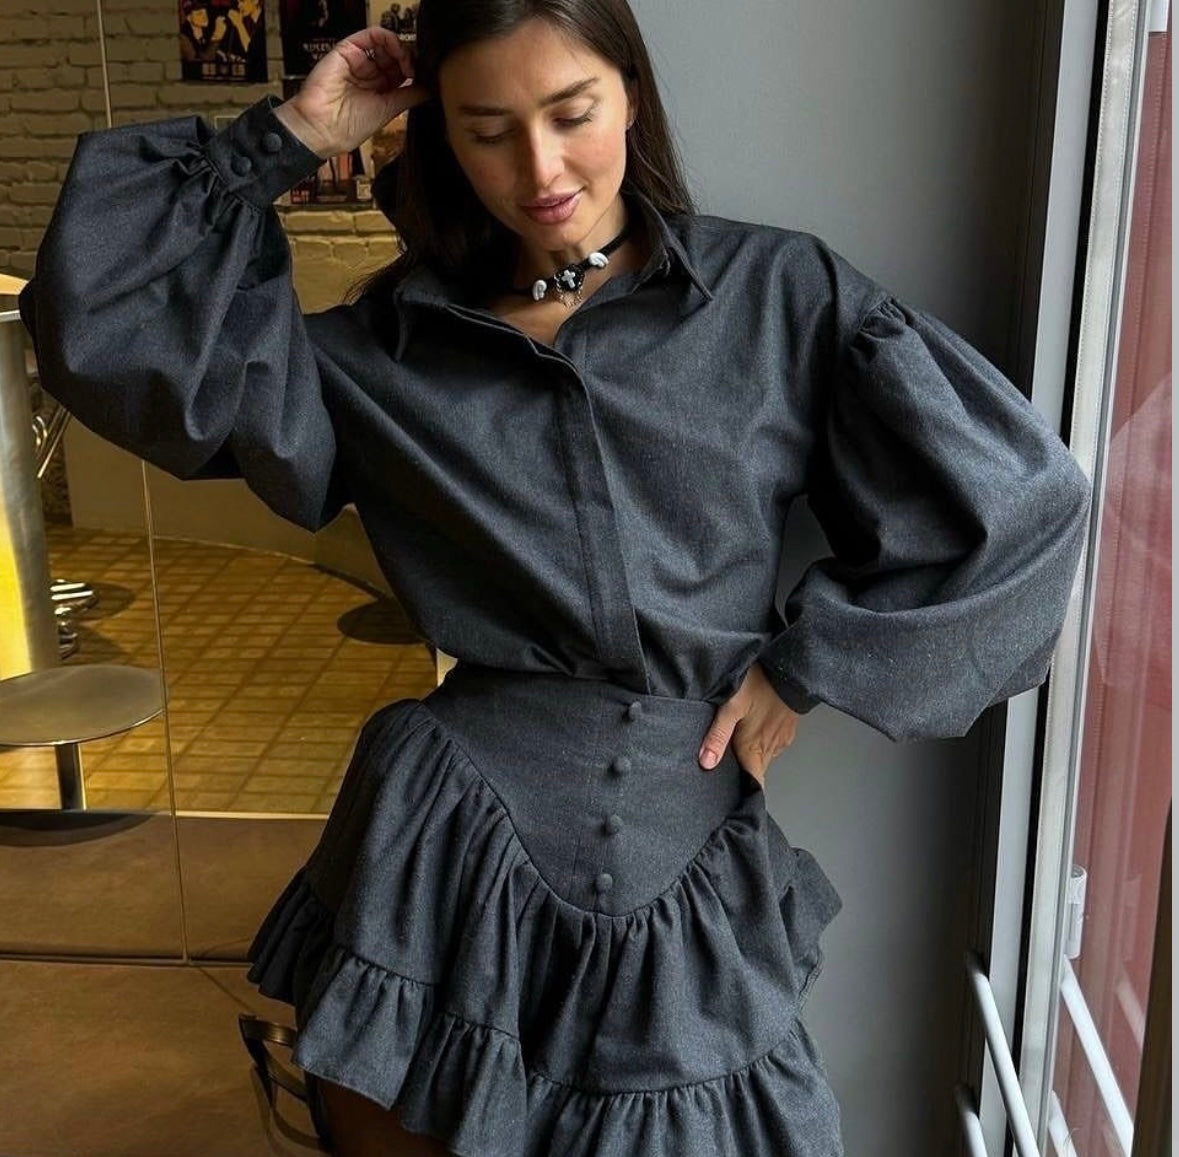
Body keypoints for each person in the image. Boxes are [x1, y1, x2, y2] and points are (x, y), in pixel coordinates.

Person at [18, 1, 1091, 1153]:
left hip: (684, 845)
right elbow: (101, 324)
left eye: (571, 113)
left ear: (630, 93)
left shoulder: (782, 298)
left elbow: (1022, 502)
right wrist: (290, 135)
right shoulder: (375, 353)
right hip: (441, 841)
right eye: (488, 130)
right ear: (441, 135)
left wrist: (807, 666)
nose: (539, 170)